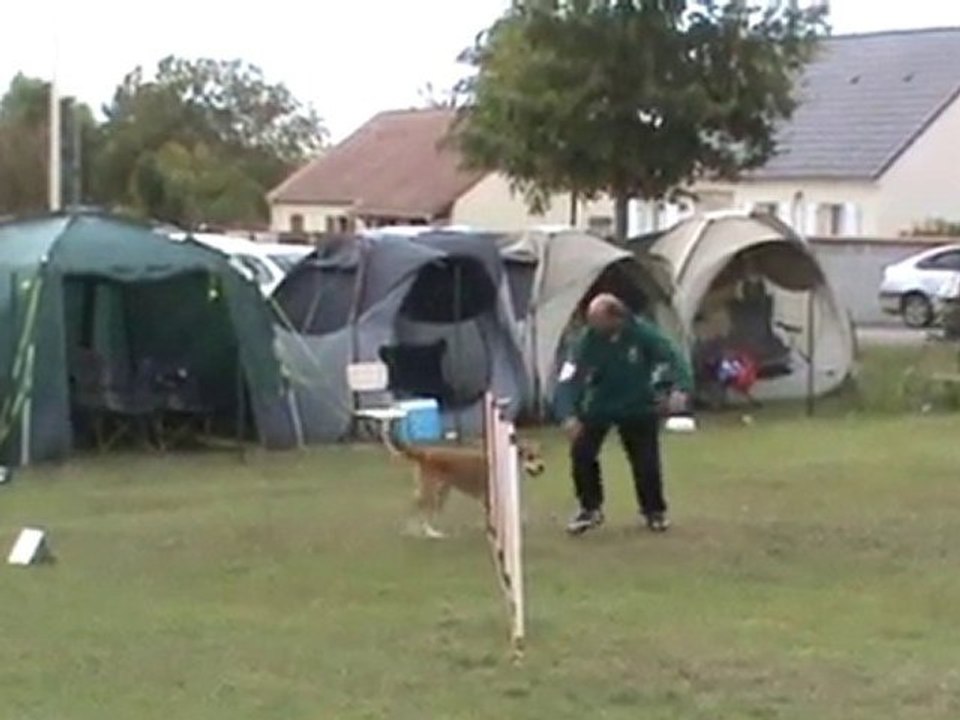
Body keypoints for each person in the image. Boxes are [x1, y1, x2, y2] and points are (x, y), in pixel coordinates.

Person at [555, 293, 693, 535]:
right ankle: (590, 509)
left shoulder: (642, 333)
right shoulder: (586, 341)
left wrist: (680, 388)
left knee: (646, 461)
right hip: (598, 406)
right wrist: (567, 414)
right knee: (582, 453)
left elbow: (673, 357)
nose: (593, 327)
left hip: (637, 405)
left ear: (616, 317)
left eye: (597, 321)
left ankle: (654, 512)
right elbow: (568, 378)